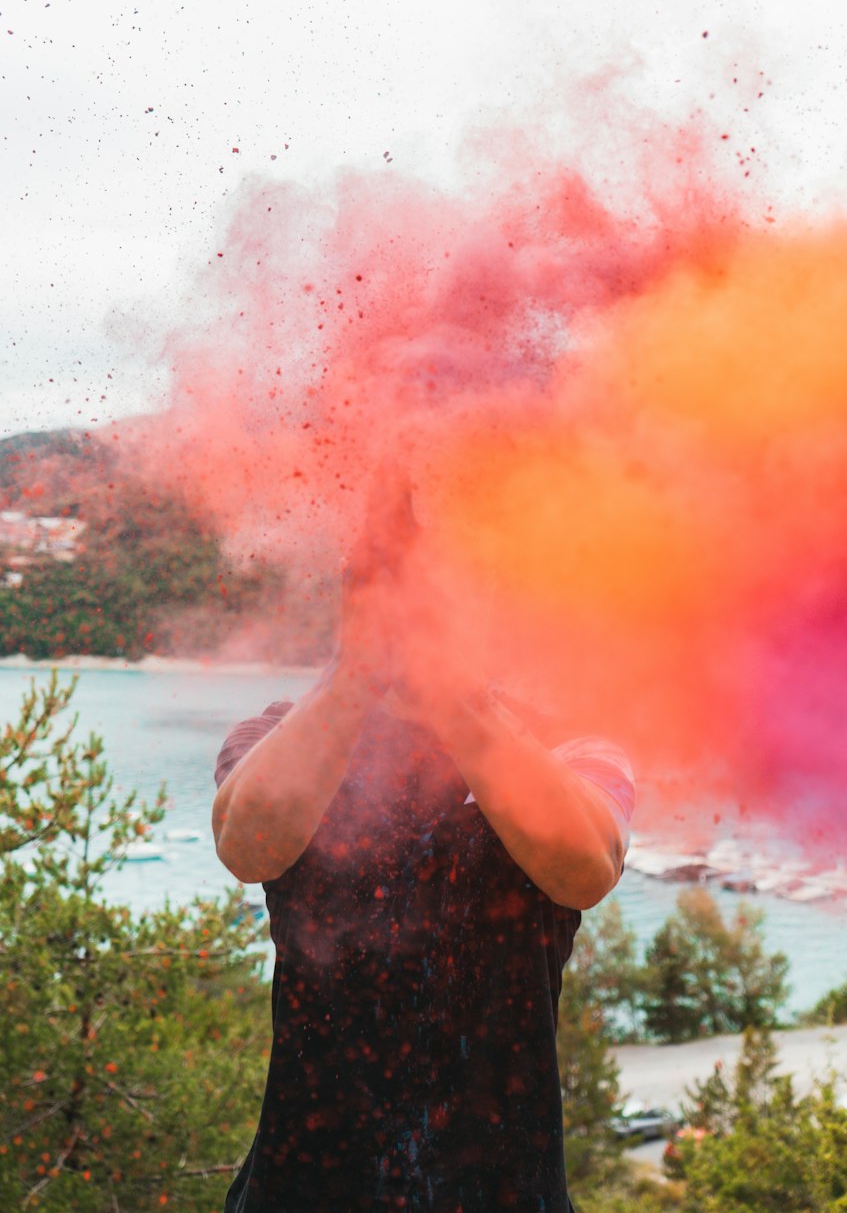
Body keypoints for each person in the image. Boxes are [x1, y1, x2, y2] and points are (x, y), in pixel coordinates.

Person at [211, 494, 635, 1213]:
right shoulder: (280, 737)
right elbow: (248, 845)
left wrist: (448, 689)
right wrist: (356, 674)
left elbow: (585, 866)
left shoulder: (570, 750)